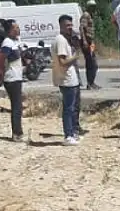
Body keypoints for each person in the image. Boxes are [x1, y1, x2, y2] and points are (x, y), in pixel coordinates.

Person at [52, 14, 83, 144]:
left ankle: (73, 132)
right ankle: (68, 135)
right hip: (66, 79)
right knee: (68, 108)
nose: (70, 27)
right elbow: (63, 61)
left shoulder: (67, 39)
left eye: (71, 25)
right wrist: (76, 56)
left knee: (72, 107)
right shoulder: (60, 40)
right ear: (61, 26)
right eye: (67, 25)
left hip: (72, 79)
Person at [0, 20, 25, 142]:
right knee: (16, 106)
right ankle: (17, 133)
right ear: (9, 30)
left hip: (17, 77)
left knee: (18, 106)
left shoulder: (15, 42)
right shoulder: (7, 43)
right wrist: (0, 72)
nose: (18, 29)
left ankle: (18, 131)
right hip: (11, 78)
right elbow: (1, 60)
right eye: (15, 28)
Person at [79, 0, 99, 89]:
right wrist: (84, 41)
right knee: (91, 63)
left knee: (93, 63)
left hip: (90, 42)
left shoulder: (91, 15)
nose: (94, 8)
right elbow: (82, 28)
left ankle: (91, 82)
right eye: (92, 6)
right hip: (86, 41)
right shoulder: (86, 15)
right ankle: (90, 83)